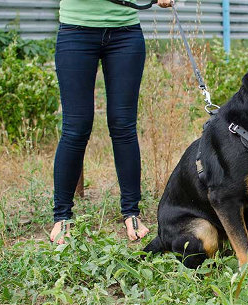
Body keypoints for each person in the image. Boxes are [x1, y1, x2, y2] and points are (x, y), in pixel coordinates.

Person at [50, 0, 173, 244]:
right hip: (76, 31)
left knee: (123, 125)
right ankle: (62, 216)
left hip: (125, 32)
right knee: (76, 128)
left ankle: (131, 212)